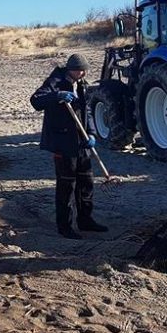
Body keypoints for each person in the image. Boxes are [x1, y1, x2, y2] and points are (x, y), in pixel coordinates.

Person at [30, 53, 108, 239]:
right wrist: (57, 96)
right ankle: (64, 226)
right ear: (71, 69)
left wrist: (91, 133)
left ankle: (85, 220)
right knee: (67, 186)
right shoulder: (54, 82)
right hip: (63, 143)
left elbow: (86, 111)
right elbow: (36, 101)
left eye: (84, 70)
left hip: (81, 142)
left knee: (86, 182)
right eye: (80, 70)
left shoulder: (81, 85)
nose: (83, 73)